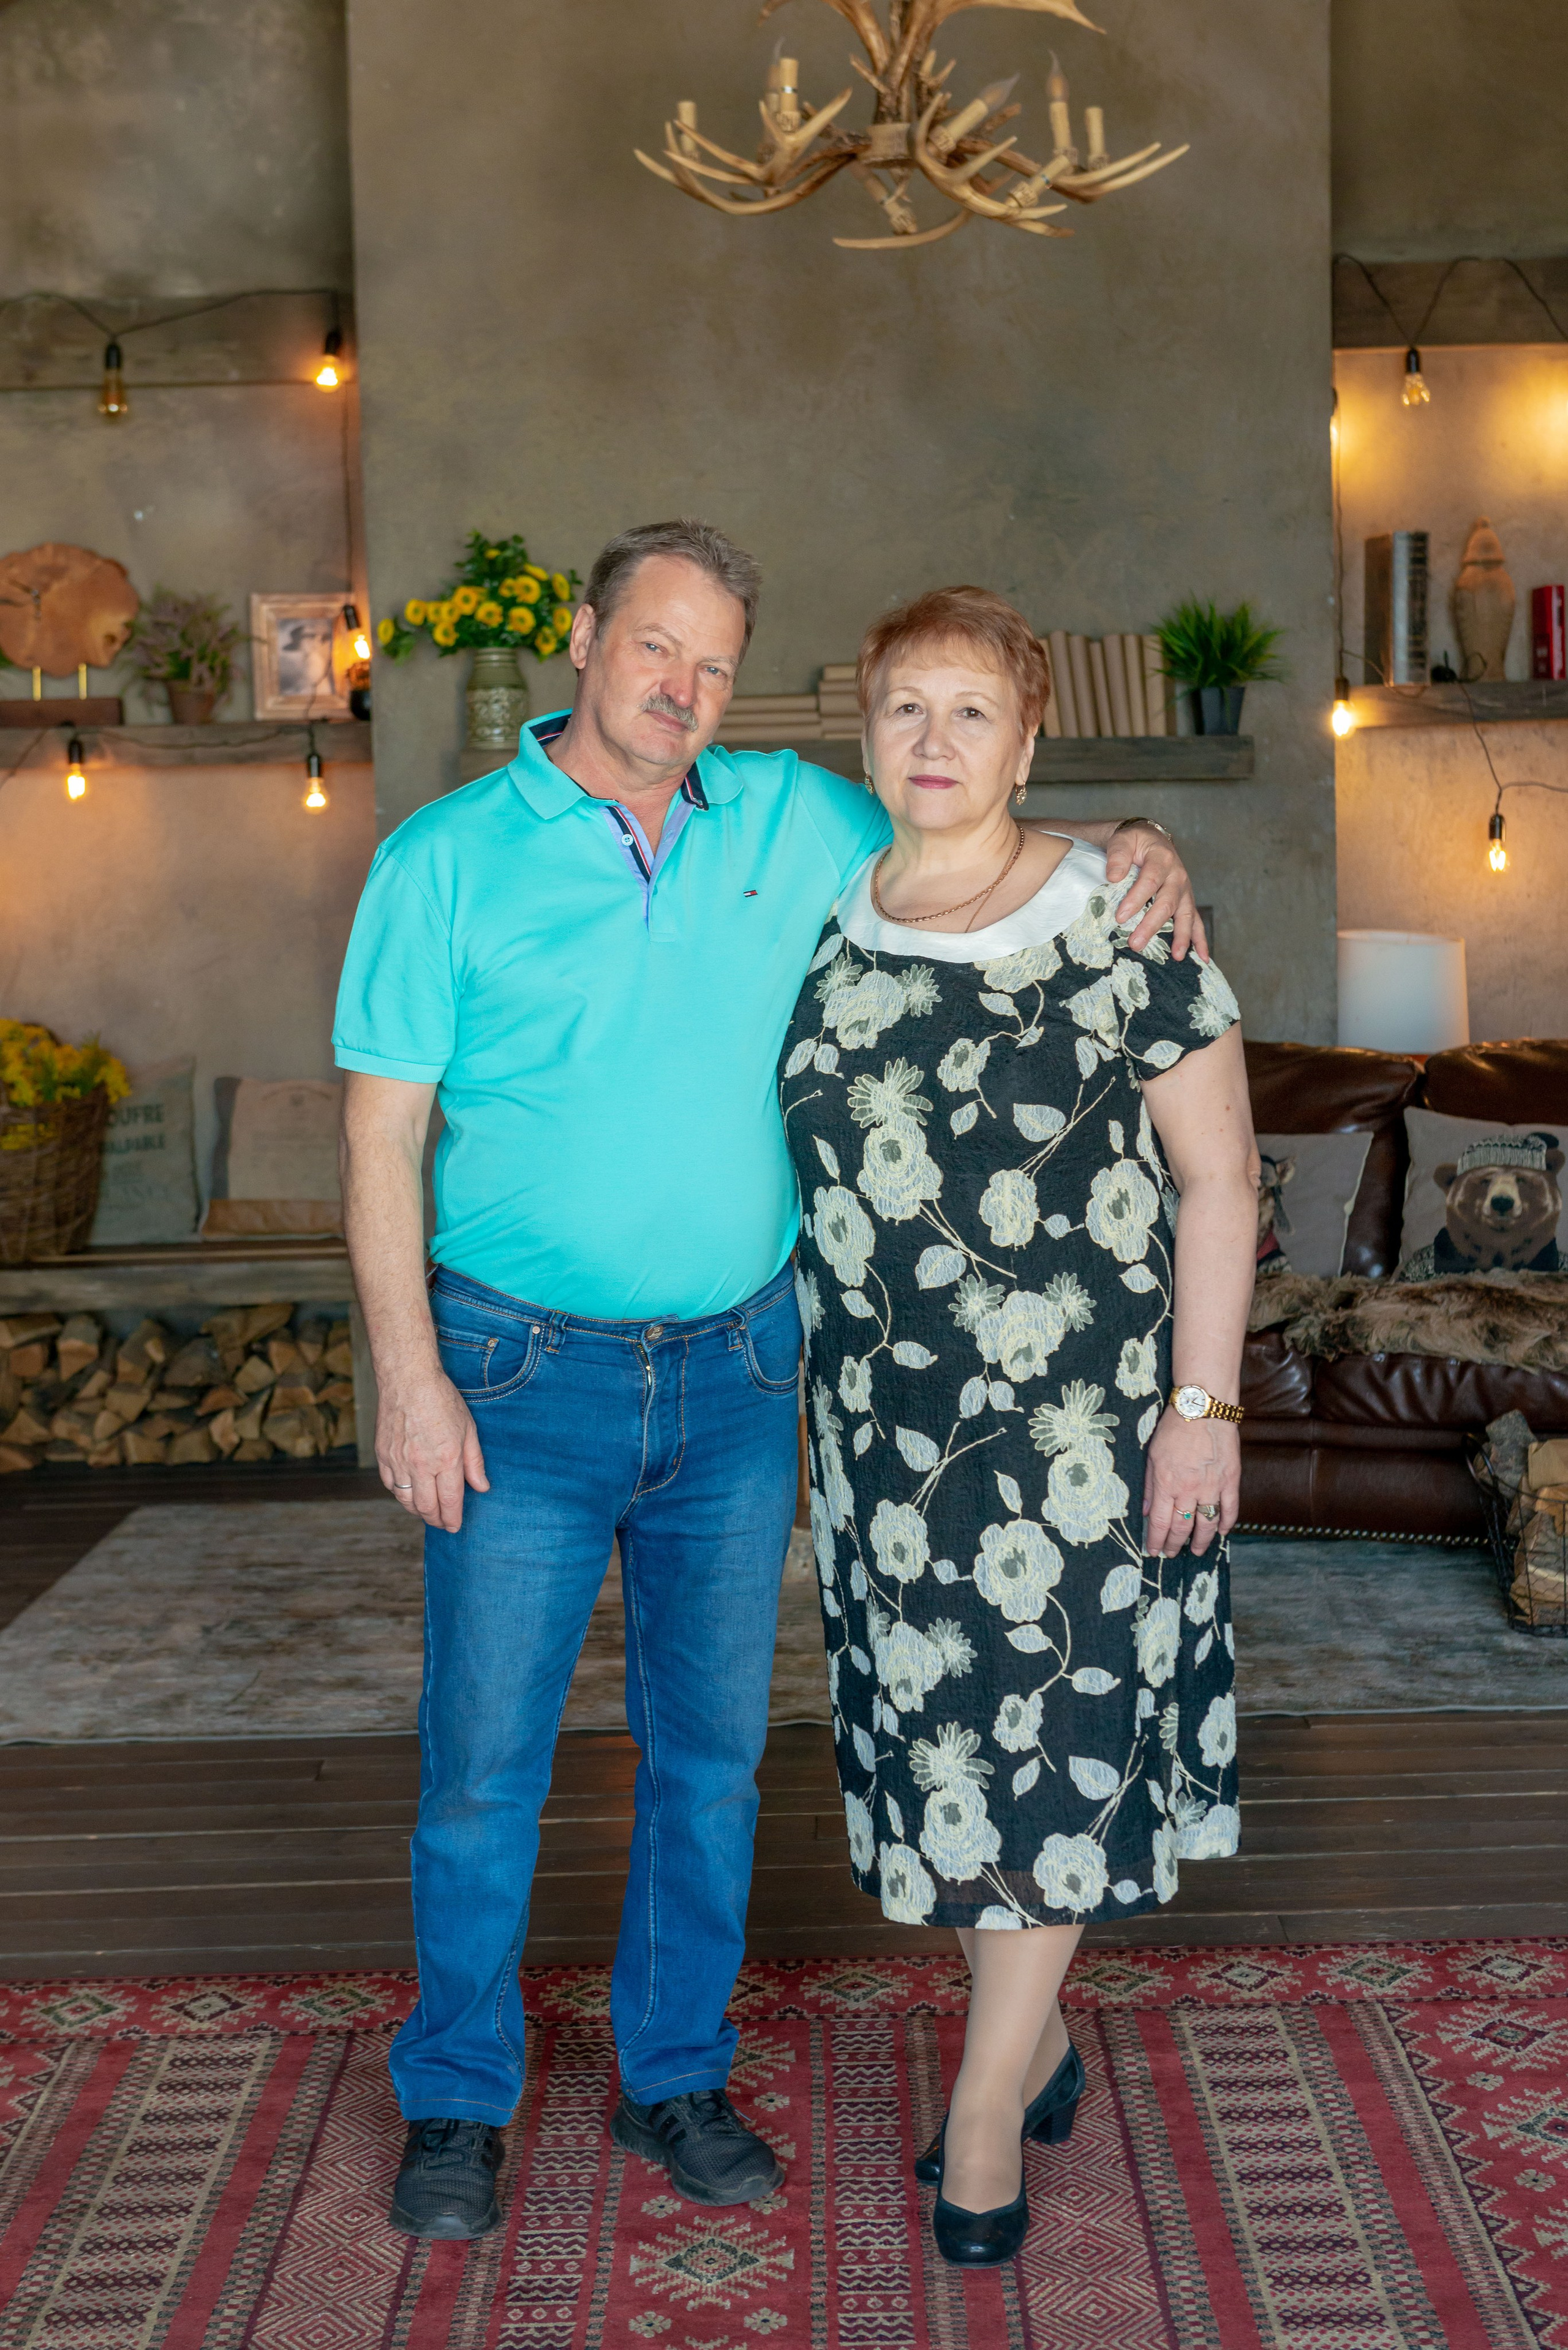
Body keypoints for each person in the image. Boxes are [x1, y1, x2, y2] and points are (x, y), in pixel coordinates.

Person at [332, 520, 1207, 2240]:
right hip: (515, 1374)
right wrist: (408, 1375)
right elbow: (379, 1141)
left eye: (717, 665)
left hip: (741, 1373)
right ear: (585, 640)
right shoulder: (442, 860)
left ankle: (673, 2072)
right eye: (656, 647)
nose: (683, 689)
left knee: (711, 1759)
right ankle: (455, 2097)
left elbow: (979, 828)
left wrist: (1137, 841)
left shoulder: (799, 819)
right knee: (484, 1764)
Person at [778, 586, 1257, 2269]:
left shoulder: (1120, 913)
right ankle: (1040, 2041)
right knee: (953, 1762)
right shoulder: (823, 922)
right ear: (864, 733)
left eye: (972, 711)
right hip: (886, 1443)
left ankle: (985, 2110)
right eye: (905, 706)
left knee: (1052, 1749)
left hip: (1089, 1435)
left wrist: (1203, 1410)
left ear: (1029, 744)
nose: (934, 739)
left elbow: (1221, 1179)